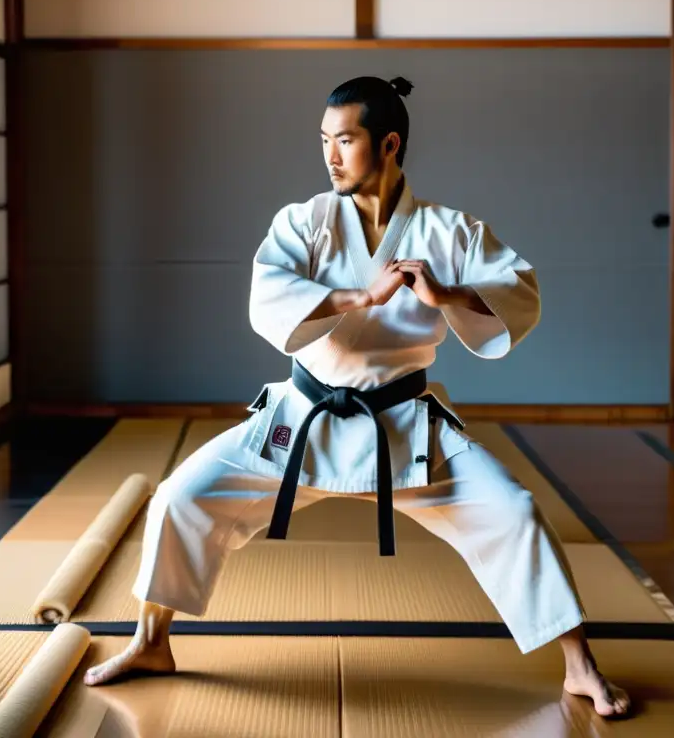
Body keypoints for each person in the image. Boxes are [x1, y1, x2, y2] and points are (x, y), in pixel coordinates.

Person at [83, 75, 631, 719]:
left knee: (513, 512)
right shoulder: (304, 221)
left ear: (390, 143)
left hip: (403, 426)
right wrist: (359, 298)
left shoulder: (448, 232)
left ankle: (579, 666)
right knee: (181, 496)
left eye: (345, 139)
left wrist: (446, 295)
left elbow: (521, 294)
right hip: (303, 417)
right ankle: (151, 643)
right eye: (324, 140)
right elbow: (269, 299)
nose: (330, 155)